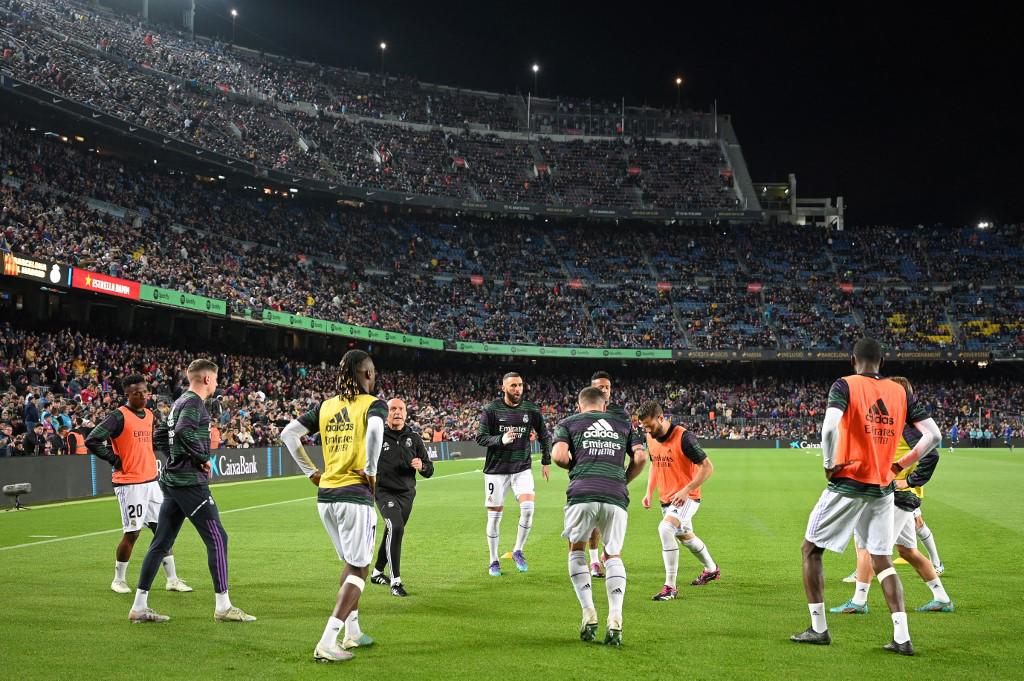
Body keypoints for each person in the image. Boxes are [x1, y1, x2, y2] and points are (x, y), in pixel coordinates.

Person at [792, 338, 941, 655]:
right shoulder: (900, 391)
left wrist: (828, 464)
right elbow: (934, 436)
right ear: (882, 361)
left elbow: (829, 428)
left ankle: (818, 629)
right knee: (882, 559)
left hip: (850, 482)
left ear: (852, 360)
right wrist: (900, 464)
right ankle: (902, 637)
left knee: (811, 550)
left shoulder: (844, 385)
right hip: (884, 488)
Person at [128, 359, 255, 624]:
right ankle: (223, 606)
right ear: (207, 379)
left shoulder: (178, 403)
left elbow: (161, 435)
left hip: (173, 482)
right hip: (189, 483)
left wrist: (173, 459)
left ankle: (139, 606)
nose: (218, 383)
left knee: (161, 542)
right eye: (217, 379)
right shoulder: (195, 404)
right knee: (218, 539)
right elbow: (184, 431)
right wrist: (200, 458)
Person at [281, 349, 386, 663]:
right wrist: (370, 469)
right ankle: (328, 640)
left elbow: (289, 434)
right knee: (360, 567)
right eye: (373, 372)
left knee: (351, 563)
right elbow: (377, 430)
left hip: (326, 496)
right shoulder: (373, 404)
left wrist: (311, 472)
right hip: (354, 495)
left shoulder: (325, 407)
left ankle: (352, 631)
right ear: (367, 374)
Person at [831, 377, 952, 615]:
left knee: (867, 547)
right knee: (907, 551)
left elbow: (932, 455)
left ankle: (858, 602)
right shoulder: (898, 423)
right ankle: (941, 598)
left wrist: (906, 481)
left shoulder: (908, 426)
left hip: (898, 496)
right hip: (903, 497)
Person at [551, 387, 646, 645]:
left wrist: (580, 466)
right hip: (616, 494)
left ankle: (588, 611)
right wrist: (623, 480)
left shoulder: (568, 423)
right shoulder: (623, 423)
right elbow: (640, 456)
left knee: (576, 549)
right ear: (604, 406)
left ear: (580, 405)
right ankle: (615, 617)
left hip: (582, 493)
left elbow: (558, 456)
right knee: (613, 554)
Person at [86, 375, 191, 594]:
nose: (142, 396)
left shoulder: (150, 415)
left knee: (163, 531)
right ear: (127, 394)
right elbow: (92, 440)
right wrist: (114, 459)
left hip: (151, 481)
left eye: (145, 392)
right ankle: (119, 579)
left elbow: (158, 438)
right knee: (132, 532)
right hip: (129, 484)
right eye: (137, 393)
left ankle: (172, 579)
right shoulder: (118, 417)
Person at [639, 401, 720, 601]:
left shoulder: (684, 437)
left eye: (649, 425)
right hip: (667, 498)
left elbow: (707, 467)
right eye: (643, 427)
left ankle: (670, 587)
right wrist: (649, 492)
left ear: (661, 418)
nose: (647, 430)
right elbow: (655, 464)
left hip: (687, 498)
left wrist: (687, 490)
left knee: (665, 529)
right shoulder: (650, 437)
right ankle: (711, 569)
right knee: (686, 537)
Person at [476, 372, 552, 576]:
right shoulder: (491, 410)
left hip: (521, 468)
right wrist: (500, 439)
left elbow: (544, 435)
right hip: (496, 471)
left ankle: (518, 550)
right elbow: (480, 438)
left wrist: (546, 461)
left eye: (519, 385)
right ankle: (493, 560)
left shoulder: (531, 409)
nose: (517, 389)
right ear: (503, 388)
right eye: (513, 386)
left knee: (528, 508)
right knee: (494, 519)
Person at [369, 398, 434, 596]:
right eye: (392, 409)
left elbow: (429, 469)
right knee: (395, 527)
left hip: (407, 494)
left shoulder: (414, 438)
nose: (397, 412)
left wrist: (421, 466)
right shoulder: (377, 435)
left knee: (392, 531)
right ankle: (395, 581)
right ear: (386, 413)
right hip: (384, 491)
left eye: (401, 409)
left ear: (406, 413)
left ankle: (377, 572)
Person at [586, 371, 631, 578]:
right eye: (600, 387)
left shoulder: (620, 414)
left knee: (612, 520)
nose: (604, 390)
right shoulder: (585, 412)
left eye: (607, 387)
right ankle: (594, 561)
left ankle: (607, 554)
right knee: (593, 521)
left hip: (613, 474)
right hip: (591, 473)